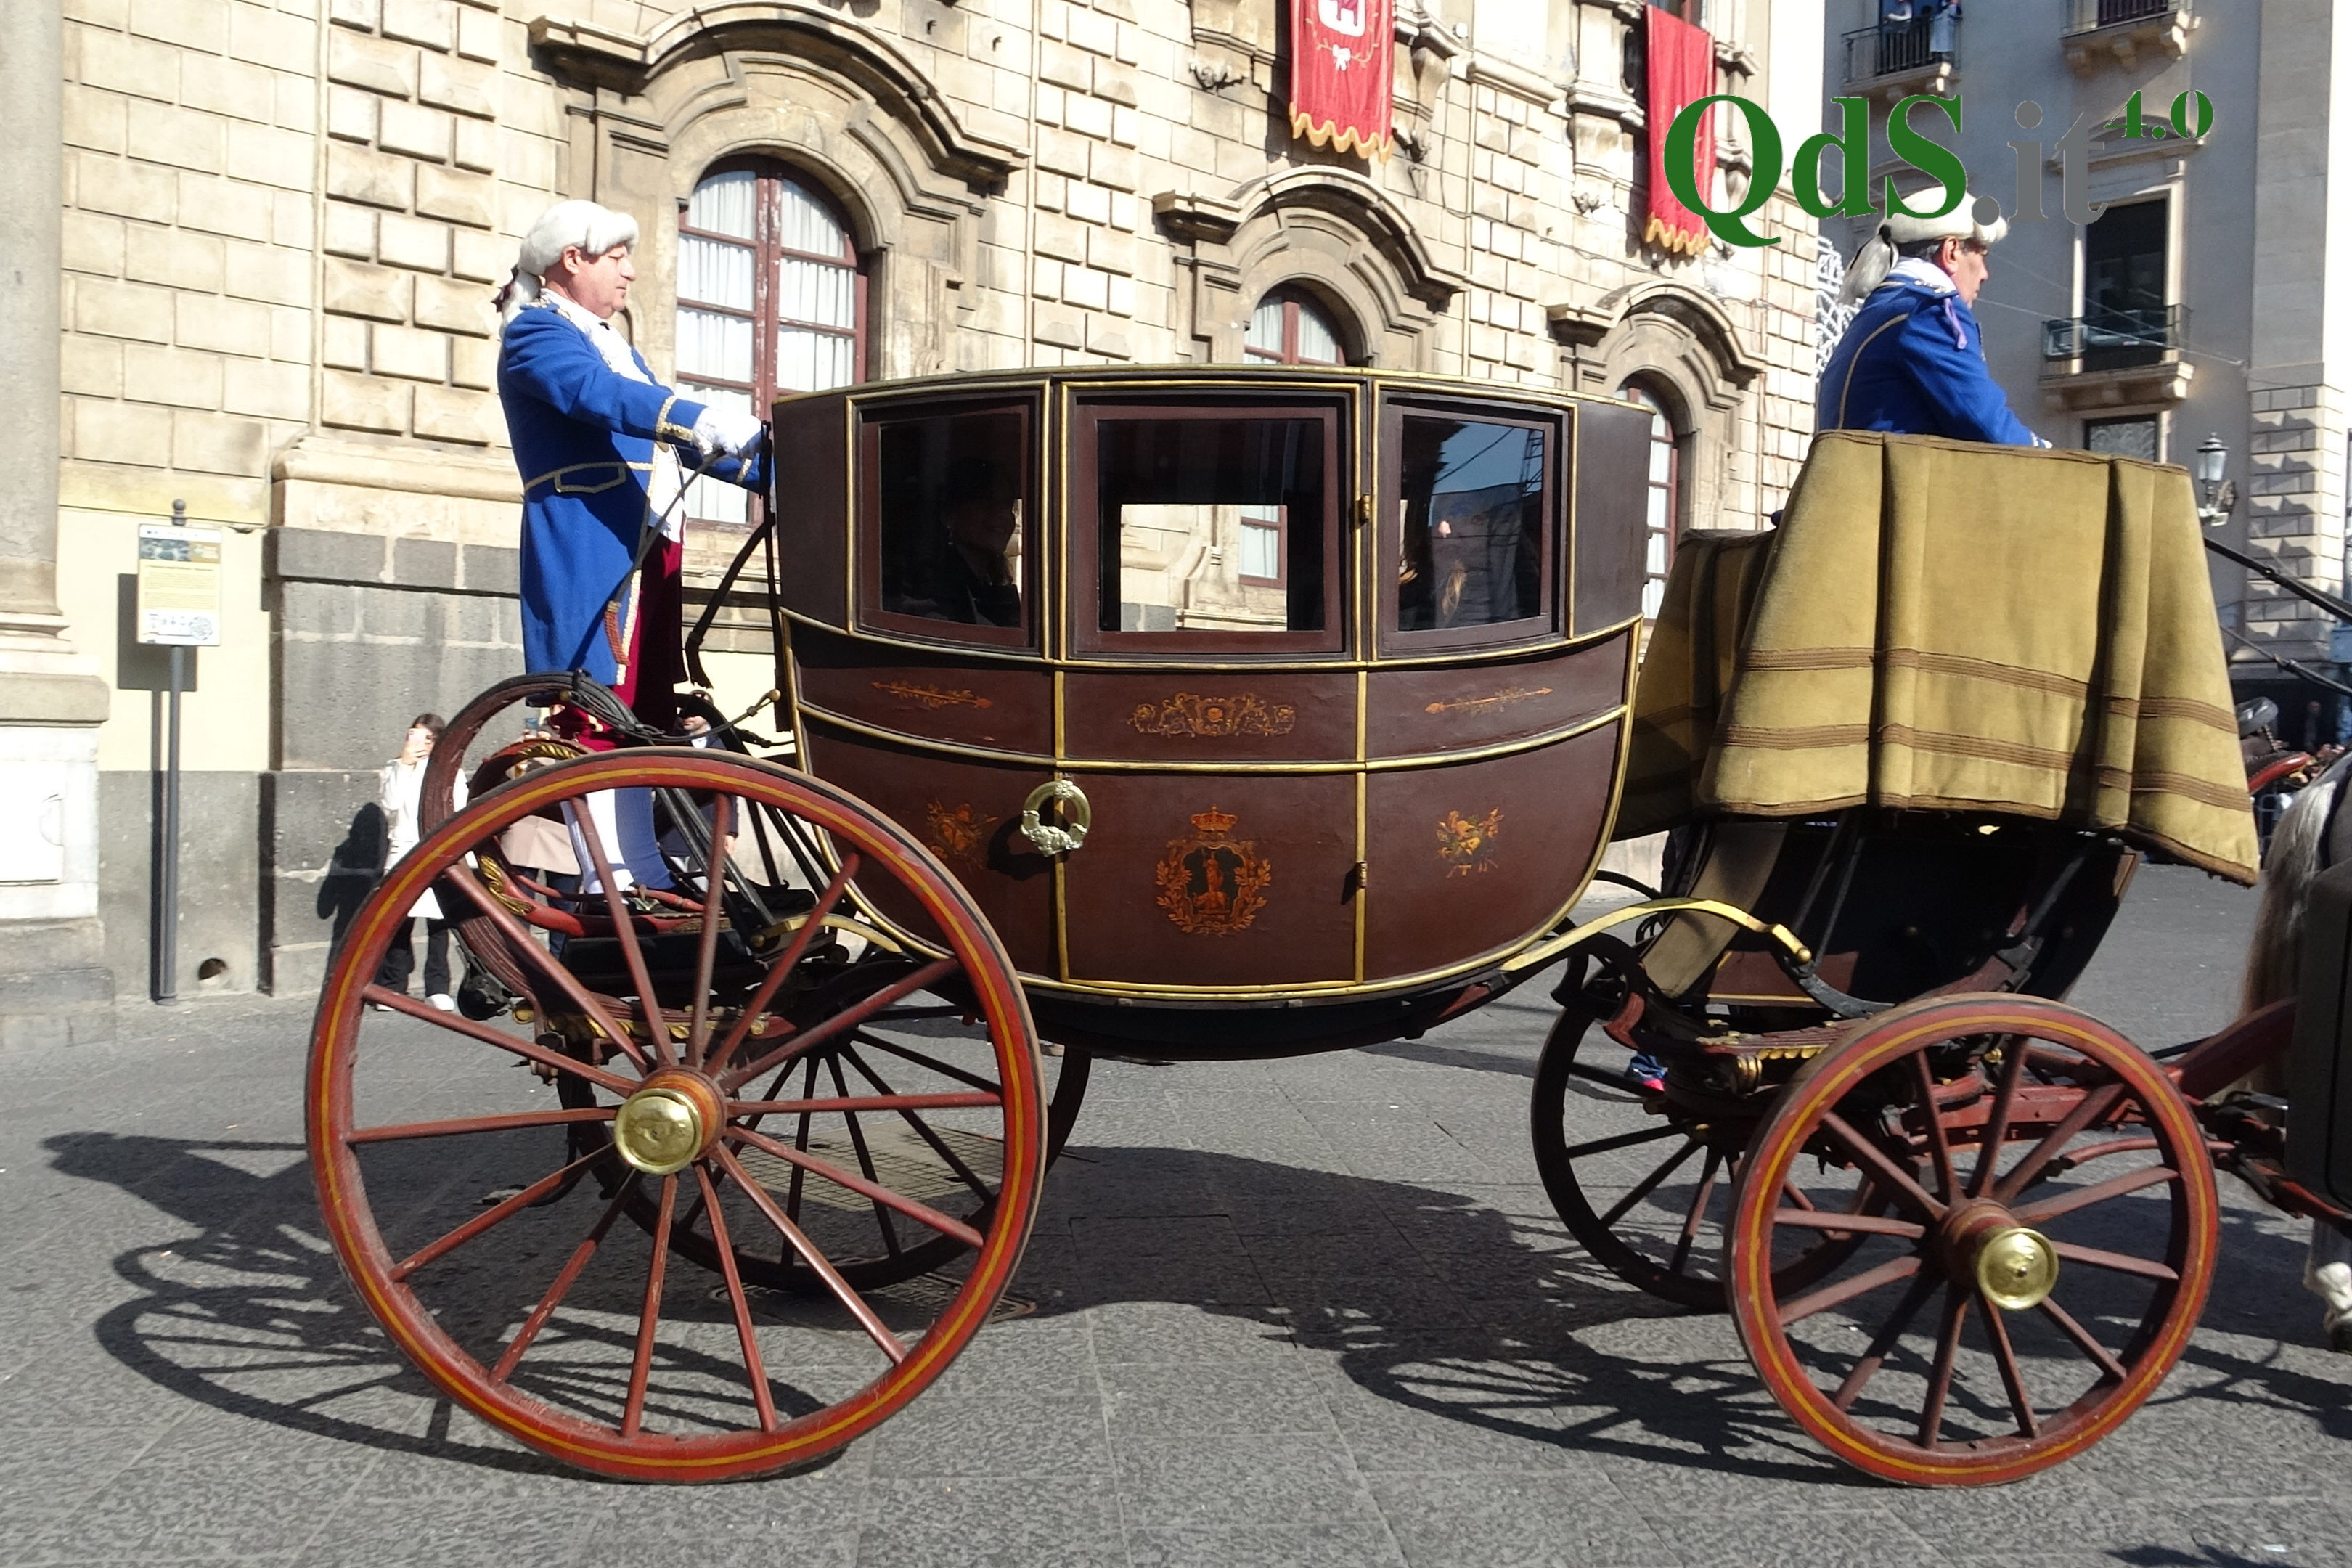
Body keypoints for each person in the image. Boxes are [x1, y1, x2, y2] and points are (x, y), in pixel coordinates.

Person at [495, 198, 769, 889]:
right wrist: (700, 415)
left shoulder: (617, 344)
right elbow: (596, 395)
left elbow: (691, 443)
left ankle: (637, 867)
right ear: (572, 261)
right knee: (599, 705)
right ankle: (608, 875)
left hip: (645, 547)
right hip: (594, 545)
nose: (630, 273)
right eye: (617, 258)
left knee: (645, 712)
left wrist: (780, 462)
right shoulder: (538, 334)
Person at [1817, 194, 2050, 448]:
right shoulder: (1928, 311)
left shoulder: (1882, 309)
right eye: (1982, 255)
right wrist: (2050, 456)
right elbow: (1986, 425)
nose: (1985, 274)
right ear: (1951, 252)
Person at [375, 714, 468, 1008]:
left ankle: (437, 986)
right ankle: (393, 985)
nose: (423, 744)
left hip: (438, 849)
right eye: (418, 737)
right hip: (404, 849)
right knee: (398, 921)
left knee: (439, 922)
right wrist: (403, 764)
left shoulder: (452, 772)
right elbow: (390, 802)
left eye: (430, 739)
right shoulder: (396, 767)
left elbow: (459, 808)